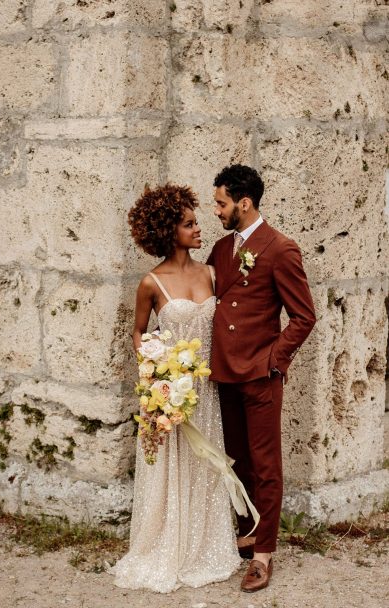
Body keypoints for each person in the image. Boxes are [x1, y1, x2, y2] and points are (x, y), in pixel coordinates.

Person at [110, 183, 241, 593]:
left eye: (196, 221)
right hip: (171, 395)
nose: (197, 229)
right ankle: (168, 545)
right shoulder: (151, 283)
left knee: (204, 466)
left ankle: (204, 544)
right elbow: (137, 333)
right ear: (169, 232)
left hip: (206, 391)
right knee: (171, 468)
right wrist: (157, 375)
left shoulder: (212, 273)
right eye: (188, 225)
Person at [207, 164, 316, 592]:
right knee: (237, 461)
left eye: (221, 203)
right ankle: (246, 533)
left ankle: (263, 555)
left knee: (267, 465)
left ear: (244, 202)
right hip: (225, 374)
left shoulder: (281, 248)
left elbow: (304, 317)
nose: (216, 210)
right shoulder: (219, 249)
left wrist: (275, 360)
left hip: (260, 375)